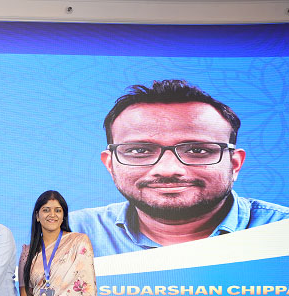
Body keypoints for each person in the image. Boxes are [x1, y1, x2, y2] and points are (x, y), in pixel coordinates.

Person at [70, 79, 289, 257]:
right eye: (139, 150)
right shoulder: (68, 233)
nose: (168, 170)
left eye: (197, 150)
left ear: (235, 164)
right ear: (110, 164)